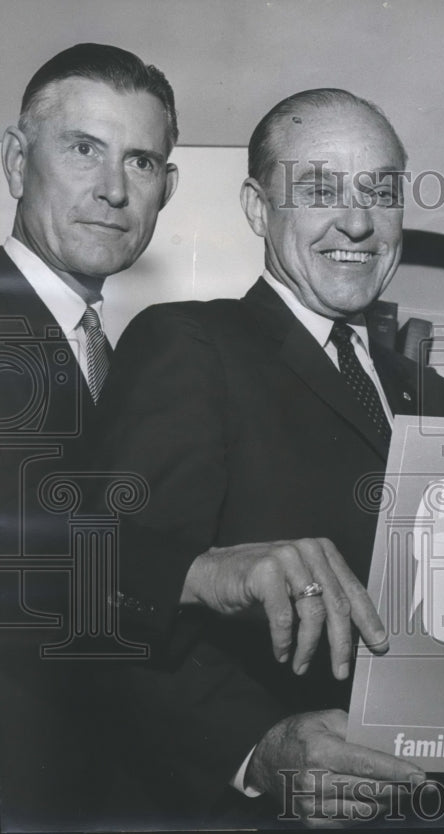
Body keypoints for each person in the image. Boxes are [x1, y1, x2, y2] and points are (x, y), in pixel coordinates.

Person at [87, 88, 444, 825]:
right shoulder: (191, 345)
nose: (357, 221)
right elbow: (111, 589)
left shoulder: (439, 396)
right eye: (319, 189)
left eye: (380, 192)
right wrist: (254, 750)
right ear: (259, 209)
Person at [0, 43, 179, 827]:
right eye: (83, 150)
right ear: (15, 161)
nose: (112, 190)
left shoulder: (134, 359)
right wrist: (202, 573)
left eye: (140, 162)